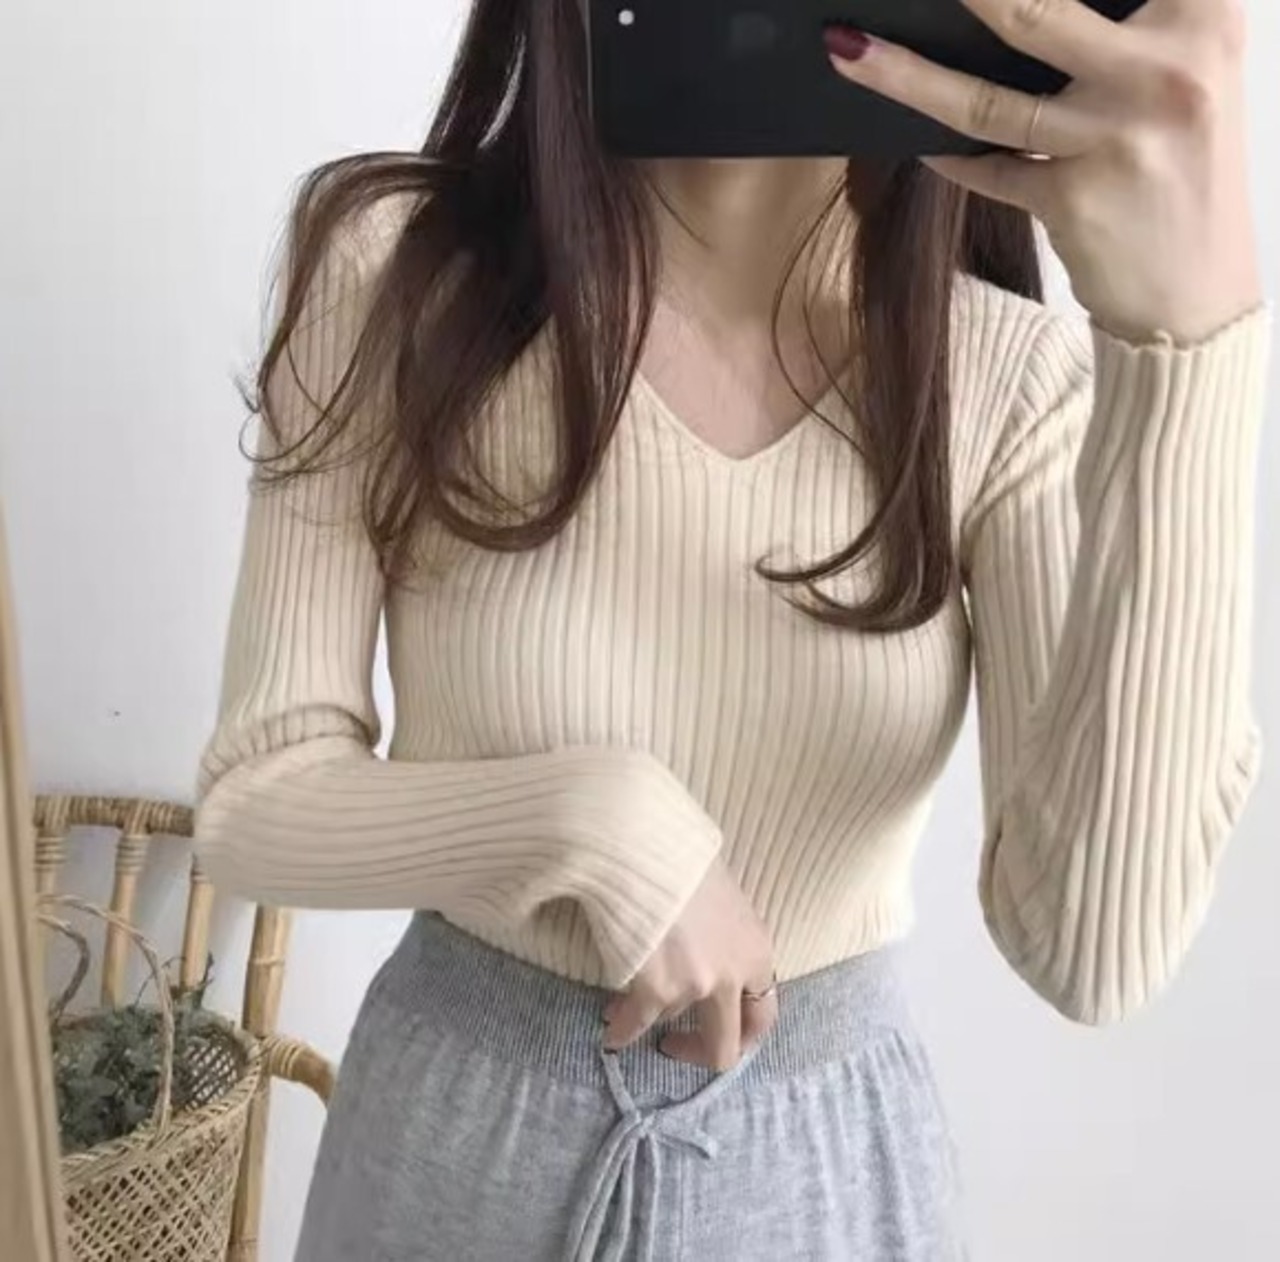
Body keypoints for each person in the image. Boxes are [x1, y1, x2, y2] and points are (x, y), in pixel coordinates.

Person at [194, 1, 1270, 1258]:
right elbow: (255, 804)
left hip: (818, 1180)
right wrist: (596, 824)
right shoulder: (398, 277)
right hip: (455, 1153)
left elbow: (1094, 954)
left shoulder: (999, 377)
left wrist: (1184, 349)